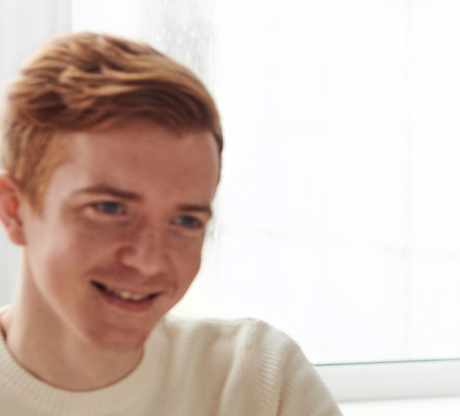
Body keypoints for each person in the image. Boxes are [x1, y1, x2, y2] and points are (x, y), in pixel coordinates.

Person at [0, 32, 340, 415]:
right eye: (110, 209)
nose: (148, 261)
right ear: (14, 209)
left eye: (185, 220)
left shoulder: (256, 381)